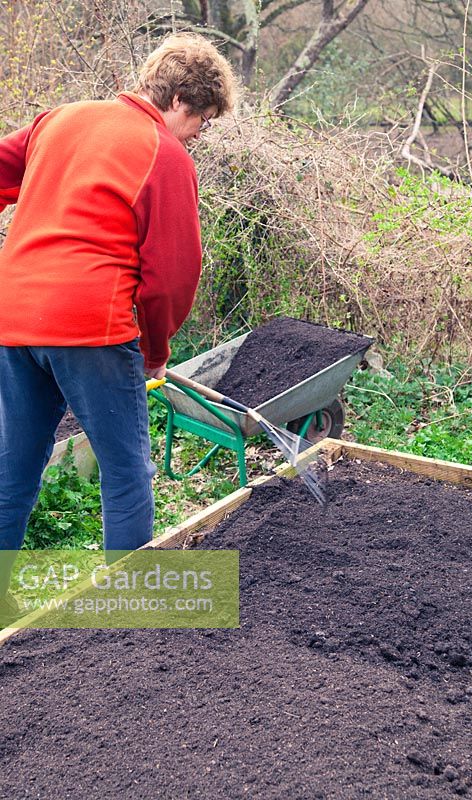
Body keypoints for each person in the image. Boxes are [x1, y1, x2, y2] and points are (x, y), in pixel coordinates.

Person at [0, 33, 238, 624]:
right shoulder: (164, 155)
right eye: (201, 121)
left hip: (14, 319)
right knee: (127, 470)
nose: (198, 136)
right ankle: (128, 626)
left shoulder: (61, 120)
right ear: (180, 100)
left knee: (14, 467)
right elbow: (170, 277)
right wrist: (156, 350)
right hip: (91, 330)